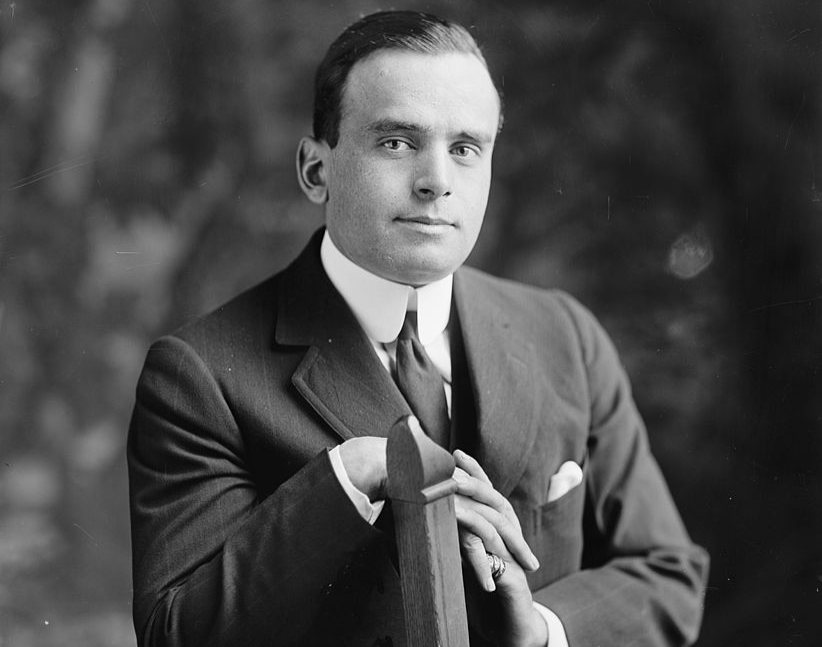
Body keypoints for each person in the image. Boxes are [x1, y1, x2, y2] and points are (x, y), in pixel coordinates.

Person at [127, 10, 709, 647]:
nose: (437, 182)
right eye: (396, 142)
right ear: (315, 170)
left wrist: (542, 632)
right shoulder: (200, 374)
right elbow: (175, 636)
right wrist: (350, 476)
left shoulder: (566, 335)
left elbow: (667, 575)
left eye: (465, 149)